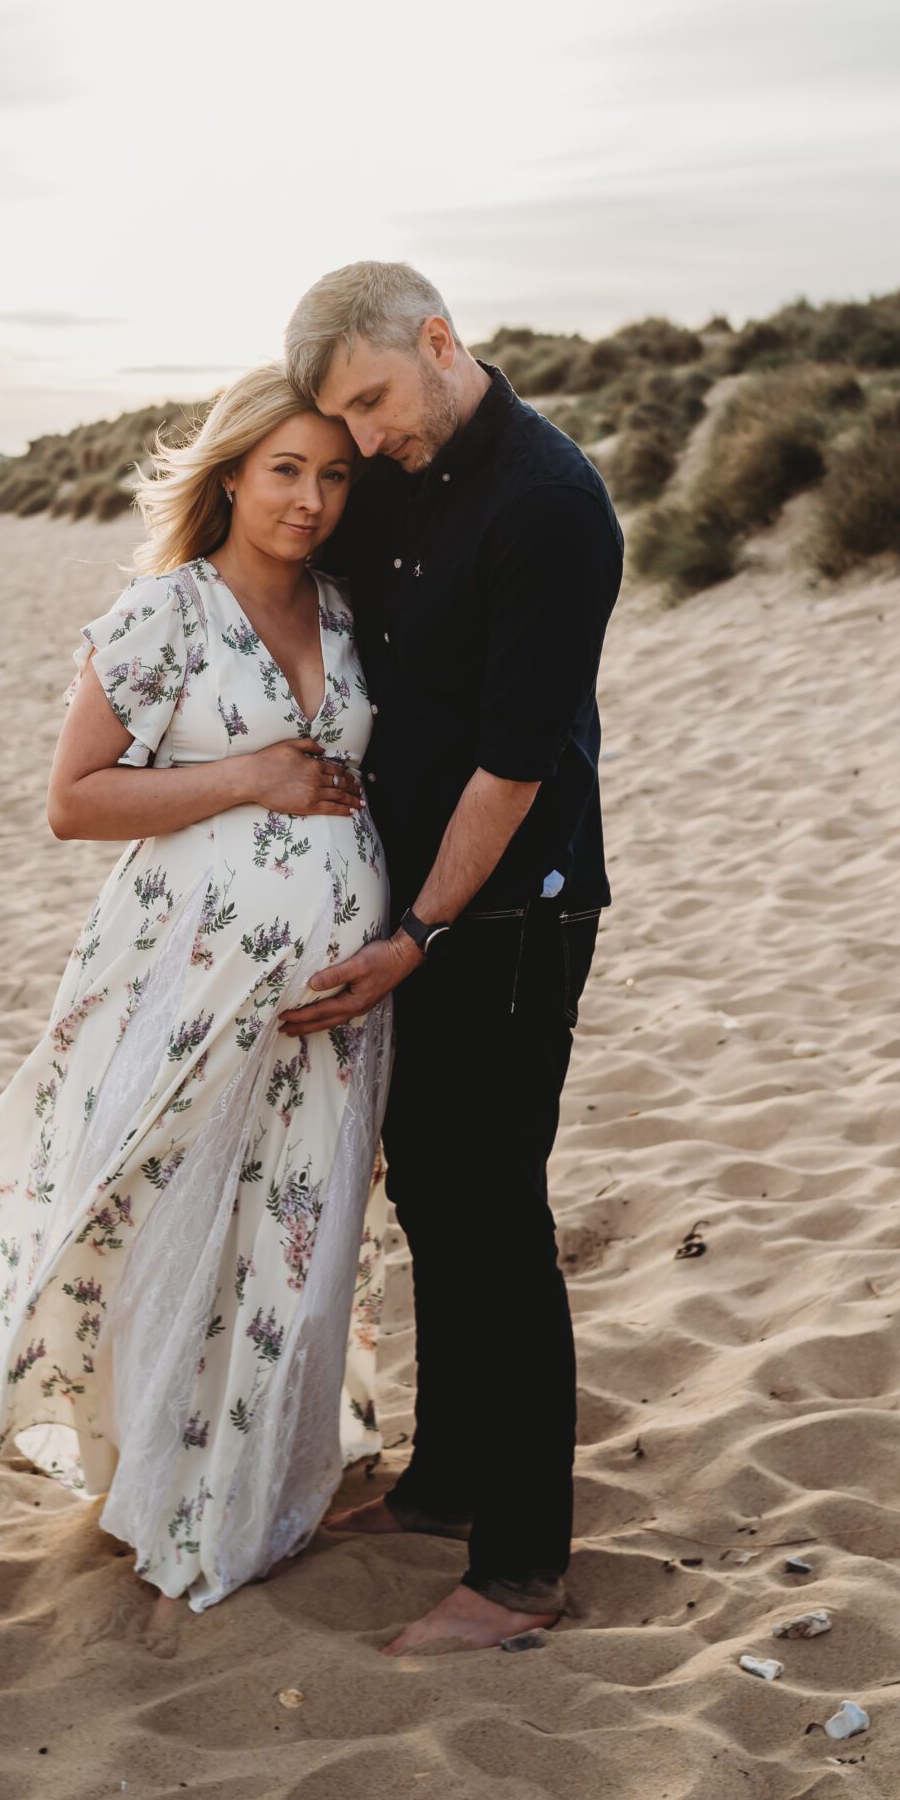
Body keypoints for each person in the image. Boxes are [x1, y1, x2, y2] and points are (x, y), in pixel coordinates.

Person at [0, 366, 394, 1613]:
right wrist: (252, 779)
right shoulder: (167, 614)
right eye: (286, 470)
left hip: (334, 1001)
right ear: (231, 473)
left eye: (334, 474)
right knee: (165, 1211)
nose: (311, 499)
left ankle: (260, 1477)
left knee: (293, 1230)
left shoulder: (347, 611)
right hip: (182, 975)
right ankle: (161, 1478)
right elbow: (76, 799)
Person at [280, 261, 623, 1655]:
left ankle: (521, 1567)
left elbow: (511, 762)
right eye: (339, 421)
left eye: (370, 401)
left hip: (511, 910)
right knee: (428, 1191)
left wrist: (417, 934)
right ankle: (448, 1481)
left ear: (438, 340)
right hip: (410, 915)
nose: (363, 441)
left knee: (492, 1214)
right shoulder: (400, 474)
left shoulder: (549, 504)